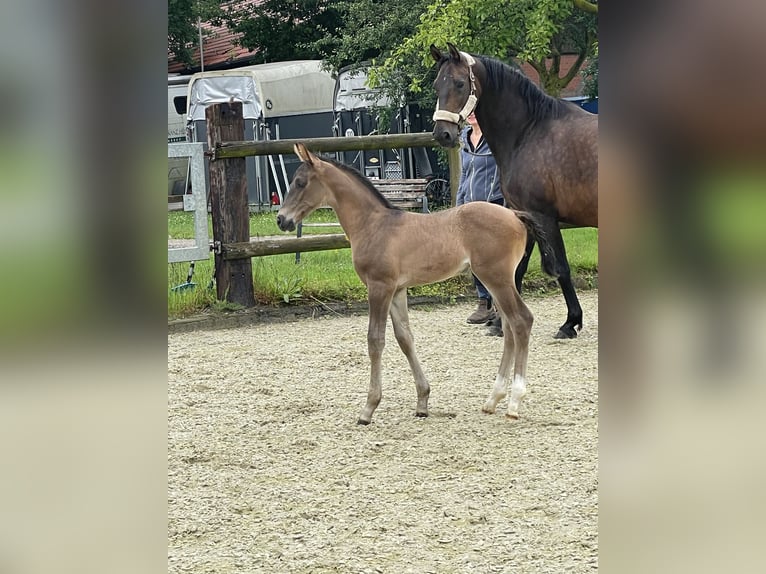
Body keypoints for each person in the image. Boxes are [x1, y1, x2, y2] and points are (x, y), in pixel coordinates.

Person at [457, 112, 504, 333]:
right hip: (470, 206)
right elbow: (464, 174)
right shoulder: (464, 139)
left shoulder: (496, 136)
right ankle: (483, 301)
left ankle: (498, 302)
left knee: (493, 258)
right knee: (474, 257)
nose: (472, 115)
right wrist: (459, 204)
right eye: (468, 112)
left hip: (493, 205)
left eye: (476, 111)